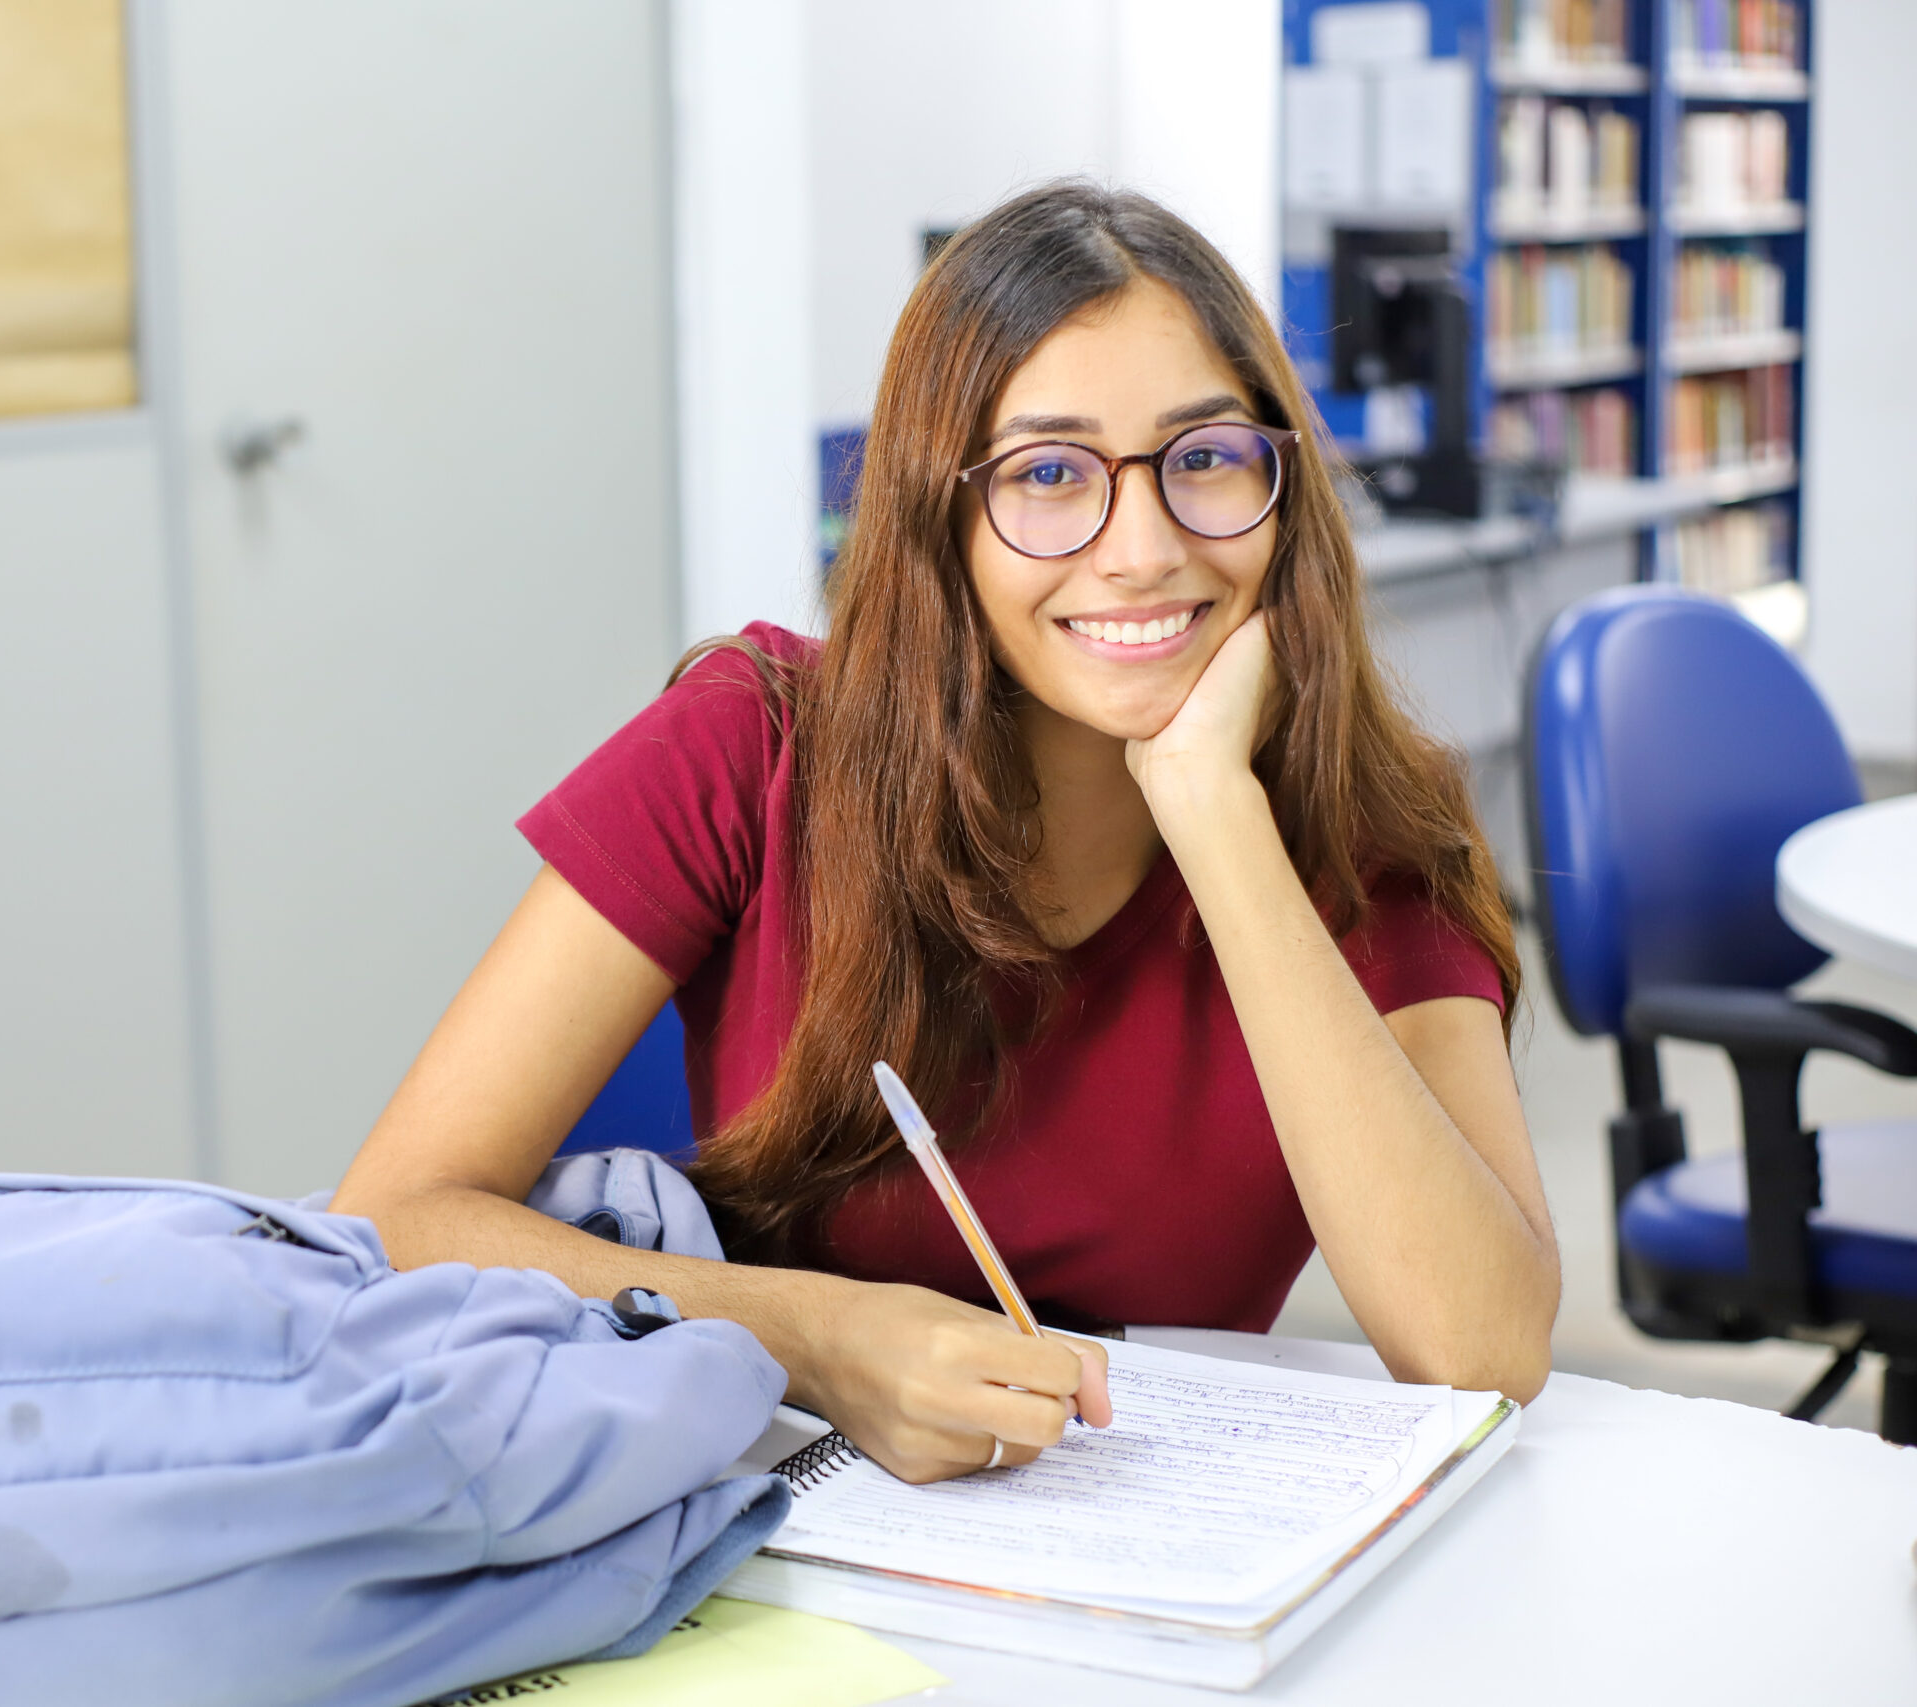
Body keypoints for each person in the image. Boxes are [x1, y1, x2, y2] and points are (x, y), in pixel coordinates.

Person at [334, 180, 1559, 1485]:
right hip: (755, 1526)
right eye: (1047, 474)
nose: (1142, 548)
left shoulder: (1374, 827)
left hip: (1151, 1564)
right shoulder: (746, 749)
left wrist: (1213, 809)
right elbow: (394, 1217)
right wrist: (818, 1338)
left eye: (1203, 458)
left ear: (1283, 487)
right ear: (941, 517)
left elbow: (1482, 1349)